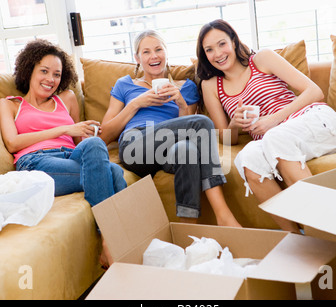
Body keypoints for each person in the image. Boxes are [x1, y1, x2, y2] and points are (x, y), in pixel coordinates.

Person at [196, 19, 336, 233]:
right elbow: (228, 139)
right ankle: (297, 239)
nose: (217, 53)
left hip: (314, 120)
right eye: (209, 49)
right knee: (247, 158)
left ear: (234, 41)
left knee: (275, 137)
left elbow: (314, 92)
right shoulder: (210, 86)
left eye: (222, 44)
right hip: (274, 142)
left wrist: (273, 120)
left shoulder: (262, 59)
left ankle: (328, 230)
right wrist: (234, 123)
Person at [0, 39, 127, 267]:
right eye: (44, 71)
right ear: (29, 70)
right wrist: (64, 128)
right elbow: (12, 143)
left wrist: (89, 133)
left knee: (97, 148)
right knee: (113, 173)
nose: (50, 79)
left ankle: (118, 244)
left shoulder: (66, 98)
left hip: (70, 156)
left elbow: (81, 143)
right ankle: (111, 241)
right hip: (37, 162)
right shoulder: (10, 105)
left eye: (56, 74)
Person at [100, 30, 241, 228]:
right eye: (146, 52)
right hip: (135, 146)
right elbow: (105, 135)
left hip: (168, 150)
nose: (154, 56)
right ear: (137, 59)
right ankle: (223, 214)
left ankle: (188, 231)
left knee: (187, 151)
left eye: (158, 49)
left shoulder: (186, 87)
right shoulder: (125, 85)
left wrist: (182, 104)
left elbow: (191, 135)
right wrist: (136, 104)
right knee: (202, 123)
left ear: (166, 53)